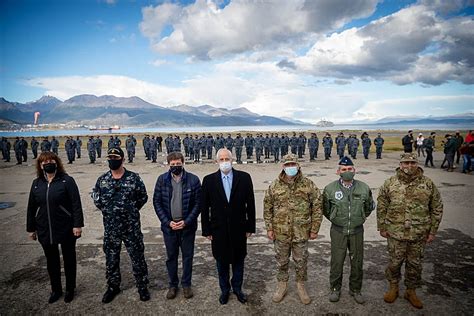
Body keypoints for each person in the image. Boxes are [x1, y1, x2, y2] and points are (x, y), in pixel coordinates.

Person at [377, 153, 443, 309]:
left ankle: (411, 291)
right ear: (400, 164)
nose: (409, 166)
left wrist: (433, 231)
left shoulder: (428, 184)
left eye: (413, 163)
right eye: (406, 163)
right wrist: (382, 227)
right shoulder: (390, 183)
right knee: (394, 262)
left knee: (415, 264)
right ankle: (393, 287)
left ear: (417, 164)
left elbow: (437, 207)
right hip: (395, 232)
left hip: (419, 233)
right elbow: (381, 206)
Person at [92, 147, 150, 303]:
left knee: (137, 257)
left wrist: (129, 210)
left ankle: (142, 286)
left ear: (123, 159)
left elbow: (142, 197)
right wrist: (110, 211)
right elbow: (97, 199)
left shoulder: (133, 178)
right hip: (111, 229)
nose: (113, 159)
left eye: (116, 157)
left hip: (131, 228)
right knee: (111, 259)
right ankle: (113, 286)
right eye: (110, 157)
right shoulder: (102, 180)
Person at [263, 154, 322, 304]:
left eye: (293, 164)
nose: (291, 167)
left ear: (298, 166)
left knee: (301, 261)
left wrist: (315, 228)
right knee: (282, 261)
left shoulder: (308, 185)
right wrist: (269, 228)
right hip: (280, 232)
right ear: (283, 166)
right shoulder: (274, 186)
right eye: (288, 165)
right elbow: (267, 207)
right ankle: (282, 285)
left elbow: (317, 207)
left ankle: (301, 286)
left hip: (301, 232)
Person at [26, 151, 84, 303]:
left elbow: (76, 204)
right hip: (45, 228)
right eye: (44, 162)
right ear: (40, 165)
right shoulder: (37, 183)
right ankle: (56, 289)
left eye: (51, 160)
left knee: (69, 259)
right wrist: (31, 228)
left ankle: (70, 289)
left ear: (57, 163)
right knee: (51, 261)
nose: (48, 163)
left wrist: (77, 225)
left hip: (66, 227)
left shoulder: (67, 181)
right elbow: (31, 207)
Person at [201, 148, 256, 305]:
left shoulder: (244, 178)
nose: (225, 162)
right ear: (217, 161)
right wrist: (206, 230)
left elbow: (250, 204)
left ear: (232, 160)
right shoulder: (209, 180)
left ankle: (237, 289)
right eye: (222, 159)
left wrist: (250, 227)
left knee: (239, 260)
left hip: (239, 228)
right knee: (221, 261)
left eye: (227, 159)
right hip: (218, 230)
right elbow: (204, 208)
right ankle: (224, 290)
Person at [321, 156, 374, 304]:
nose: (347, 171)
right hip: (338, 231)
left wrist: (359, 217)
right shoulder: (330, 189)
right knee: (337, 261)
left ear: (354, 171)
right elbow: (326, 209)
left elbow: (369, 207)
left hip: (357, 231)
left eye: (350, 169)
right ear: (338, 172)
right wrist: (335, 218)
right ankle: (335, 289)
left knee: (357, 261)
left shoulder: (364, 187)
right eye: (344, 169)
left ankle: (356, 289)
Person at [153, 152, 201, 299]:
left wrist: (186, 222)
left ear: (183, 163)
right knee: (171, 257)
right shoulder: (162, 180)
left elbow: (198, 204)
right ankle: (173, 285)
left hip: (187, 227)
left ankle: (186, 284)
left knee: (188, 257)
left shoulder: (193, 180)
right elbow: (157, 202)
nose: (175, 166)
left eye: (178, 164)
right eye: (172, 164)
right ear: (168, 165)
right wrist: (168, 222)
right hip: (169, 228)